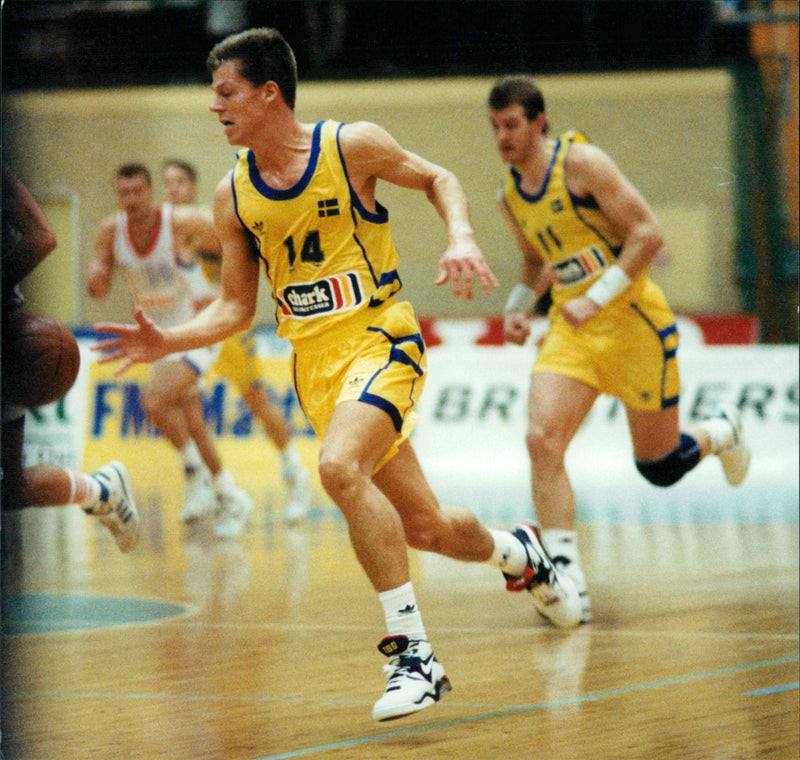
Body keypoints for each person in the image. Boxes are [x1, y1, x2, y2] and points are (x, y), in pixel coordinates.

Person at [93, 28, 583, 722]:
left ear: (268, 94)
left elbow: (439, 178)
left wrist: (463, 236)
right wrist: (166, 339)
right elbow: (236, 307)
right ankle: (520, 553)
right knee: (428, 527)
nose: (215, 107)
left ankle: (412, 655)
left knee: (337, 467)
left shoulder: (350, 146)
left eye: (225, 93)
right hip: (316, 366)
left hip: (382, 338)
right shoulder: (234, 195)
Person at [488, 75, 751, 623]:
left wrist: (601, 295)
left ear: (539, 121)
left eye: (511, 124)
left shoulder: (583, 164)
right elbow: (538, 261)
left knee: (658, 467)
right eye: (494, 127)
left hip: (631, 323)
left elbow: (647, 233)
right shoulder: (511, 195)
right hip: (571, 329)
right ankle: (565, 578)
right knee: (542, 439)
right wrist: (517, 306)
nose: (502, 137)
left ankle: (723, 429)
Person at [88, 162, 253, 539]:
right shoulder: (110, 231)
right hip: (160, 338)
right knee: (193, 425)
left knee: (154, 400)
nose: (131, 200)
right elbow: (96, 281)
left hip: (197, 331)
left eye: (138, 192)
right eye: (123, 193)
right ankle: (229, 494)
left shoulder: (179, 221)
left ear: (150, 192)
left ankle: (197, 479)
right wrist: (97, 279)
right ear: (118, 196)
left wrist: (229, 290)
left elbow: (238, 241)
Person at [162, 158, 312, 523]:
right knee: (184, 410)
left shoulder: (204, 222)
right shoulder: (160, 228)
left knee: (255, 398)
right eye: (167, 182)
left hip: (225, 327)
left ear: (193, 186)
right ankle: (203, 487)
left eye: (180, 181)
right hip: (190, 328)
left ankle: (296, 474)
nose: (173, 189)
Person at [1, 163, 139, 553]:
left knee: (10, 488)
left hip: (8, 346)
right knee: (9, 491)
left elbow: (42, 237)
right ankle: (100, 490)